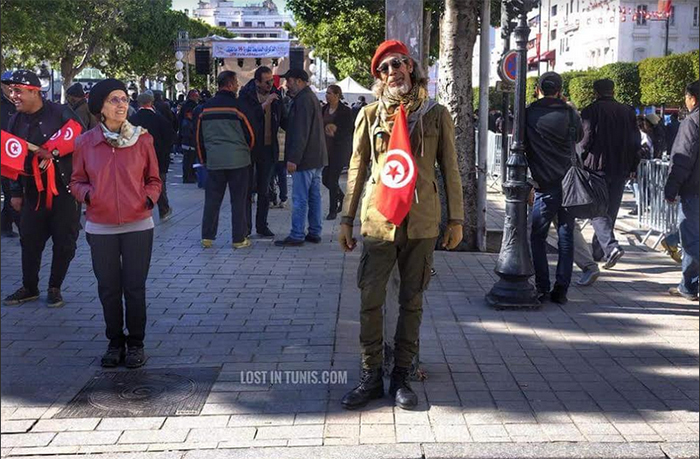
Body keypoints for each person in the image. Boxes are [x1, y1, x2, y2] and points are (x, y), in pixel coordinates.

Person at [338, 40, 464, 410]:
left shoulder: (436, 115)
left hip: (421, 222)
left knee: (412, 301)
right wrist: (346, 219)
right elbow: (357, 169)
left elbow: (451, 169)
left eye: (398, 64)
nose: (393, 72)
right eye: (385, 68)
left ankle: (401, 377)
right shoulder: (370, 115)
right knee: (370, 299)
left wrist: (456, 219)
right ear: (379, 77)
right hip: (380, 221)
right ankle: (370, 375)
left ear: (411, 67)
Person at [71, 78, 162, 368]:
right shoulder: (85, 142)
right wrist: (90, 196)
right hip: (100, 226)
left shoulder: (142, 139)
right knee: (108, 288)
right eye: (114, 99)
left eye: (124, 98)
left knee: (134, 287)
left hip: (138, 224)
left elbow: (154, 179)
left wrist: (147, 199)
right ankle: (115, 342)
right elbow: (76, 181)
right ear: (100, 107)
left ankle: (136, 343)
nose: (121, 104)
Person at [2, 70, 82, 309]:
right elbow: (12, 159)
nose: (13, 96)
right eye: (11, 91)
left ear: (34, 91)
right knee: (29, 240)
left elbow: (80, 135)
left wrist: (53, 150)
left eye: (18, 91)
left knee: (65, 242)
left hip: (64, 191)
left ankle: (55, 287)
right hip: (32, 192)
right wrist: (15, 193)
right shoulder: (15, 120)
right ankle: (29, 287)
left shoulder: (60, 112)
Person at [524, 72, 582, 304]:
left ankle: (542, 286)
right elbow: (579, 137)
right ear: (559, 90)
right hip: (568, 184)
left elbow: (520, 143)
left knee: (537, 236)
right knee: (566, 237)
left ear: (538, 89)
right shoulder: (569, 113)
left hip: (543, 183)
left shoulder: (529, 113)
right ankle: (561, 289)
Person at [579, 79, 641, 269]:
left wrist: (579, 158)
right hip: (620, 167)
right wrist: (633, 165)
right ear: (613, 91)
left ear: (596, 92)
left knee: (597, 208)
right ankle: (600, 251)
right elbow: (635, 140)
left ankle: (609, 247)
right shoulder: (627, 112)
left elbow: (585, 139)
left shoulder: (590, 111)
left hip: (596, 167)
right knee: (611, 210)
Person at [197, 71, 255, 249]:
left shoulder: (205, 108)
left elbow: (198, 137)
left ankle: (207, 237)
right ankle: (239, 239)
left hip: (214, 161)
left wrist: (204, 159)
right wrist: (245, 151)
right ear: (230, 85)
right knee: (238, 201)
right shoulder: (239, 107)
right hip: (239, 161)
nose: (237, 86)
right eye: (236, 82)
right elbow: (251, 134)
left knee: (212, 200)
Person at [274, 69, 328, 246]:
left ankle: (297, 234)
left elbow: (300, 132)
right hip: (316, 157)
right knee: (314, 197)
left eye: (289, 81)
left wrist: (293, 159)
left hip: (305, 159)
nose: (287, 85)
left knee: (300, 198)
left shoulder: (303, 100)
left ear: (298, 81)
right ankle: (314, 231)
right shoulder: (309, 98)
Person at [239, 66, 284, 238]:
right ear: (257, 82)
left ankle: (262, 225)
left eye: (271, 80)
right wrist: (266, 104)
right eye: (266, 82)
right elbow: (248, 117)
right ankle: (246, 227)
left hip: (268, 148)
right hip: (250, 147)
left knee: (265, 189)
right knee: (247, 189)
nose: (270, 84)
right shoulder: (246, 95)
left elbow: (283, 118)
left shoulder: (276, 95)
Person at [665, 80, 699, 302]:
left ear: (692, 99)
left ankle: (688, 286)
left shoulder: (692, 122)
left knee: (692, 239)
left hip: (694, 190)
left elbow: (683, 158)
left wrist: (671, 188)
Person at [129, 91, 176, 221]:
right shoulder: (159, 119)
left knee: (138, 184)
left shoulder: (132, 120)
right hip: (158, 157)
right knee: (159, 183)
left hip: (137, 158)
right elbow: (171, 137)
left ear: (139, 103)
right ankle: (164, 210)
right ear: (151, 102)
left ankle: (139, 210)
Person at [321, 85, 353, 220]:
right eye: (326, 93)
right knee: (325, 179)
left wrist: (336, 131)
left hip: (339, 150)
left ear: (337, 95)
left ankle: (332, 210)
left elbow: (349, 130)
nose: (326, 95)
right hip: (325, 149)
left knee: (333, 179)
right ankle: (341, 196)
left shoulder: (345, 111)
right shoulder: (324, 109)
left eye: (329, 93)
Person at [1, 77, 20, 238]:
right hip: (4, 153)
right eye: (7, 85)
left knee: (11, 191)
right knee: (9, 191)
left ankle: (5, 224)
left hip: (16, 153)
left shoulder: (18, 103)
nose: (10, 88)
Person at [178, 103, 198, 184]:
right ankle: (188, 177)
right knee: (188, 162)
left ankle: (188, 176)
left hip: (187, 144)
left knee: (188, 162)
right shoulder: (187, 122)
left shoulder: (186, 122)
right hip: (189, 145)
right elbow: (187, 134)